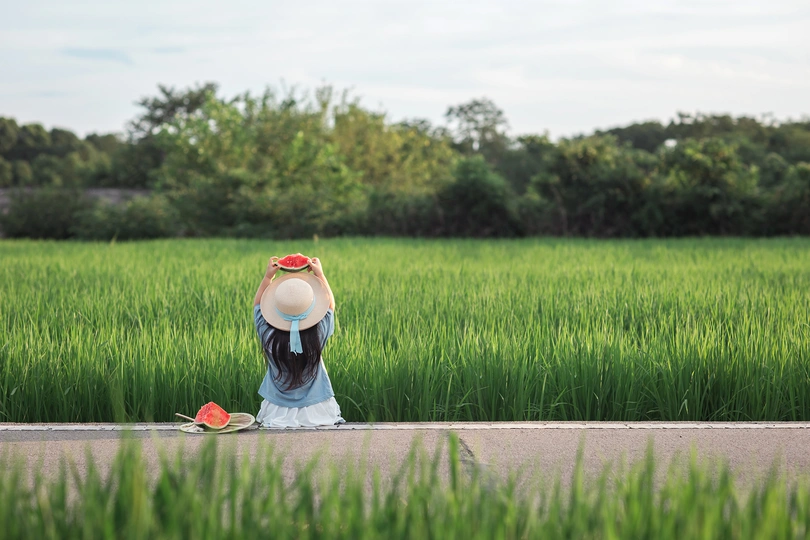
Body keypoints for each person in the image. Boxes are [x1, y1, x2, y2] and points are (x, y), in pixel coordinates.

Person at [252, 254, 345, 428]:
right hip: (316, 410)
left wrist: (267, 277)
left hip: (277, 411)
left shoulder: (267, 333)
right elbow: (330, 306)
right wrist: (320, 275)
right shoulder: (318, 333)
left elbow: (257, 306)